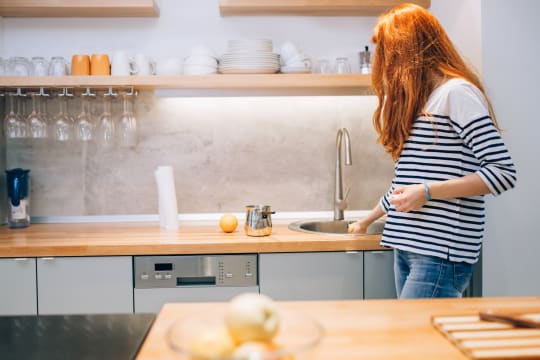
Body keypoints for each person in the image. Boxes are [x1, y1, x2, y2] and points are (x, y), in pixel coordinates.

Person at [348, 3, 517, 298]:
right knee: (412, 339)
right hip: (407, 245)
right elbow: (406, 186)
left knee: (419, 340)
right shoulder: (423, 103)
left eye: (388, 52)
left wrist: (426, 192)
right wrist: (368, 219)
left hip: (439, 254)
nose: (384, 64)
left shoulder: (457, 94)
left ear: (411, 50)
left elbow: (502, 173)